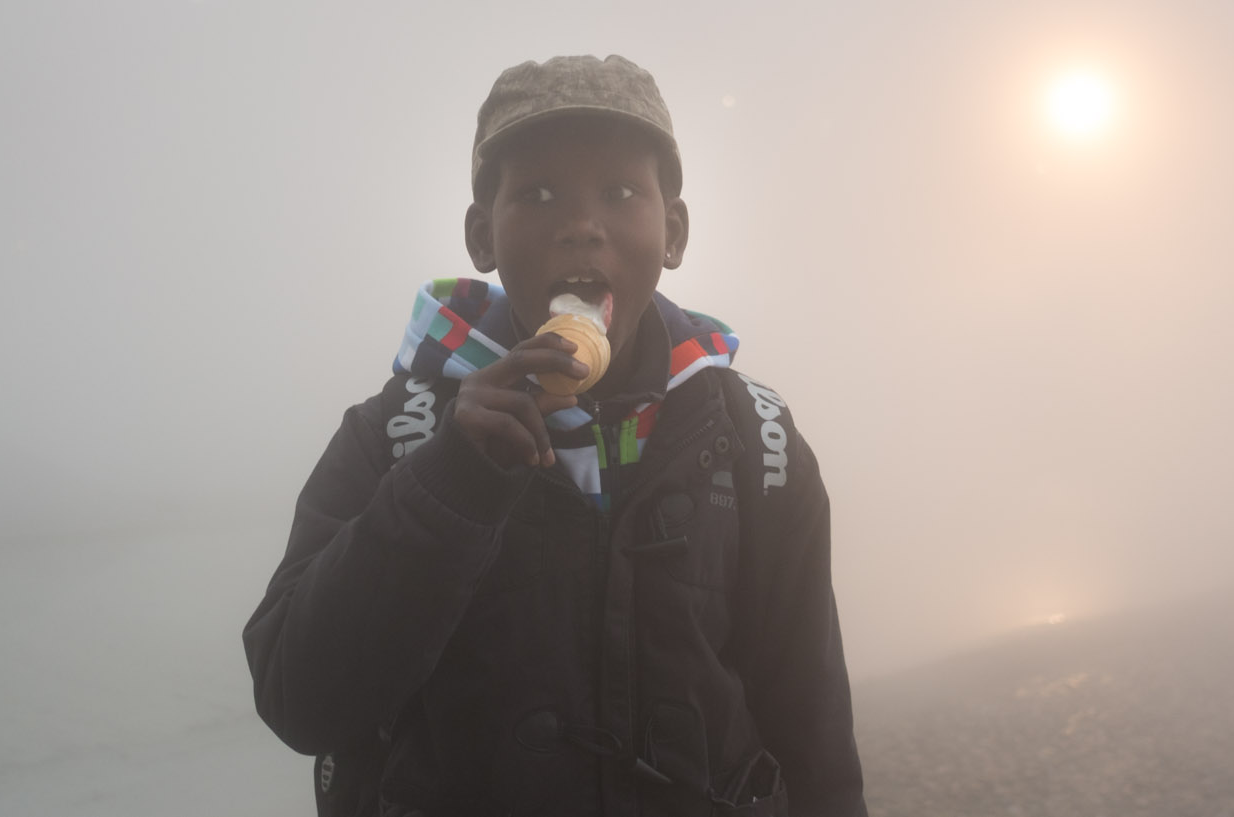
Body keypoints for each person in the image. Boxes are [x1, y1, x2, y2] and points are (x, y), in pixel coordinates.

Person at [243, 55, 866, 817]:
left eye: (621, 192)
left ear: (672, 232)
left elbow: (815, 733)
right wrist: (453, 483)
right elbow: (299, 702)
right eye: (537, 194)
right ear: (482, 235)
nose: (581, 224)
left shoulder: (755, 442)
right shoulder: (398, 435)